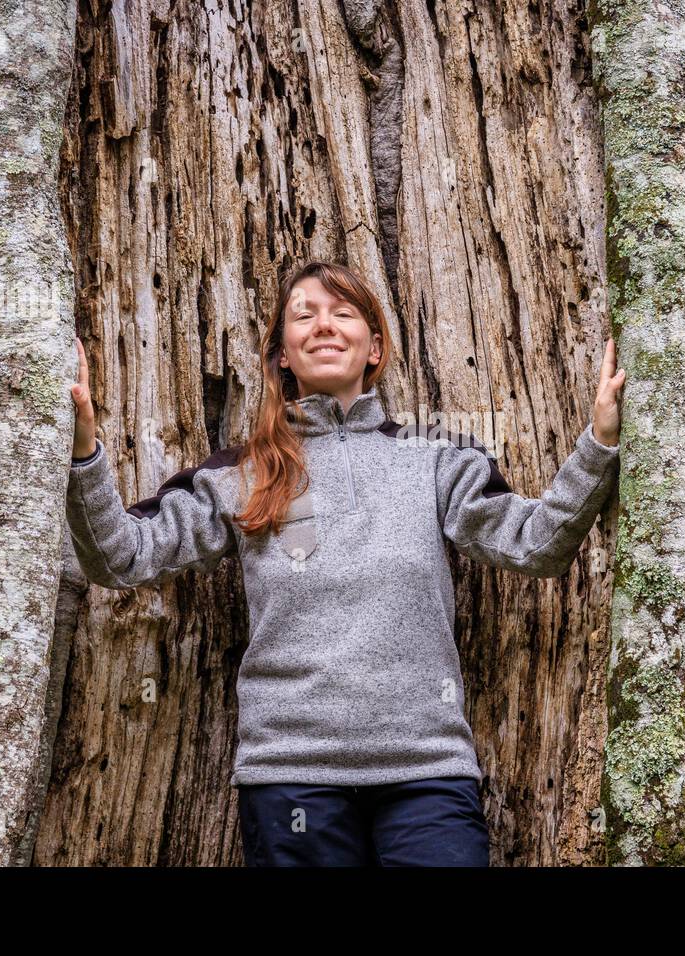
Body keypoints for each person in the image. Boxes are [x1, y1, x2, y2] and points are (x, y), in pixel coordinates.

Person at [65, 259, 625, 866]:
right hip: (291, 776)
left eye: (344, 313)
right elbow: (120, 557)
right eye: (303, 315)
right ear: (281, 352)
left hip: (427, 771)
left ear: (374, 346)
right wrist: (83, 451)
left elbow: (537, 545)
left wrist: (599, 443)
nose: (324, 325)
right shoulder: (237, 475)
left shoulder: (437, 459)